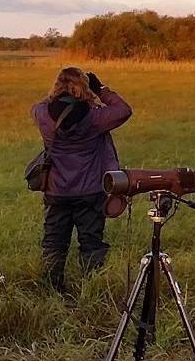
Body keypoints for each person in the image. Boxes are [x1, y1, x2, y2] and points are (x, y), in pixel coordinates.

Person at [31, 67, 132, 294]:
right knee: (92, 243)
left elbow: (36, 107)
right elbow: (123, 110)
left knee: (54, 241)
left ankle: (52, 289)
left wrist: (55, 95)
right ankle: (91, 289)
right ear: (84, 87)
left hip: (56, 189)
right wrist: (100, 89)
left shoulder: (43, 113)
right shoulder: (94, 116)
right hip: (90, 189)